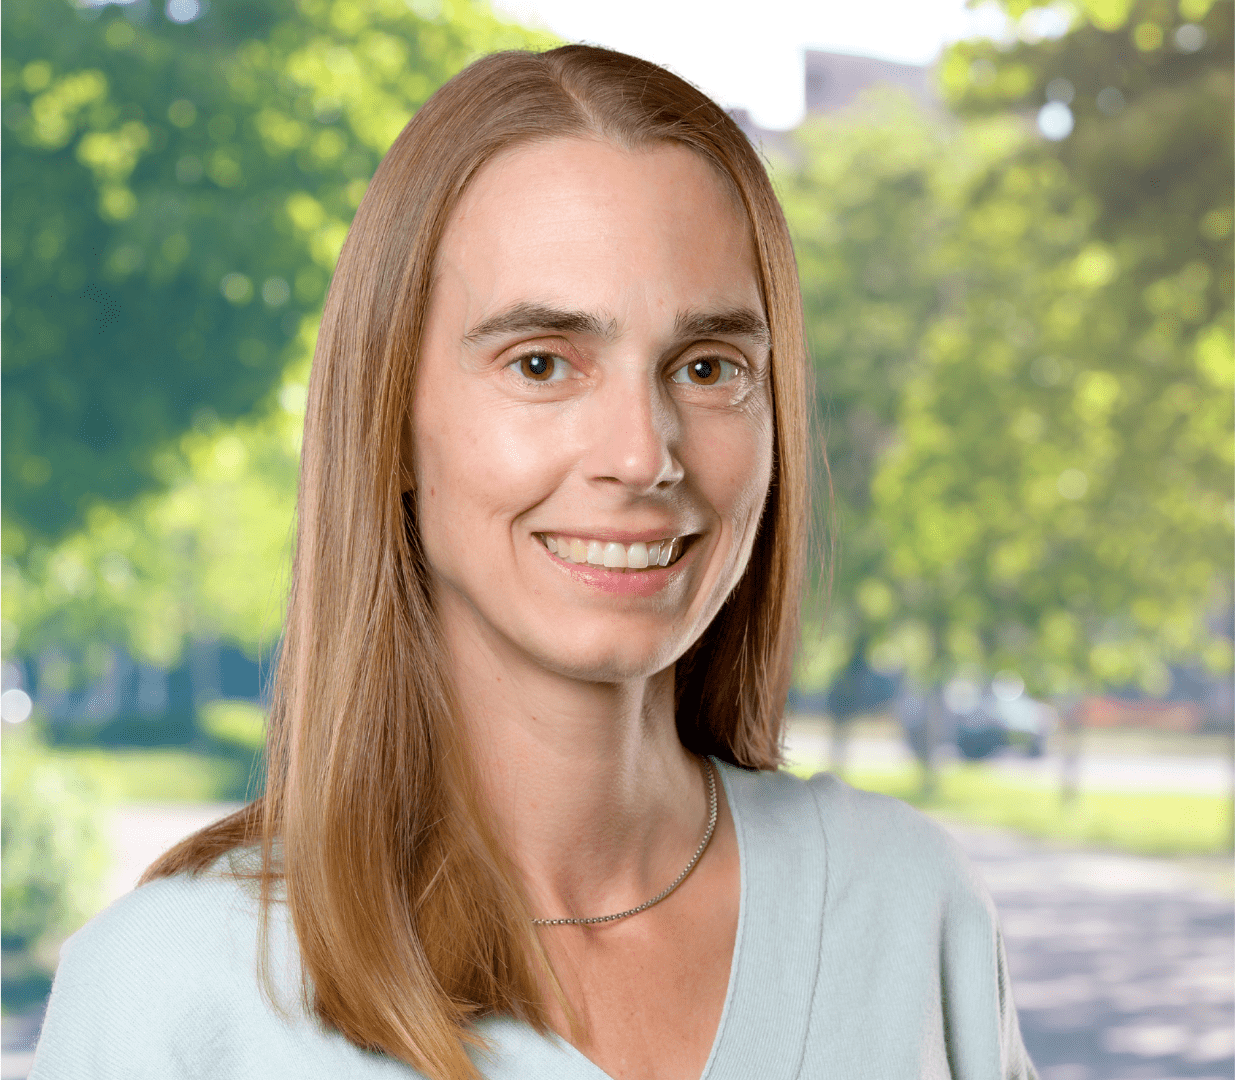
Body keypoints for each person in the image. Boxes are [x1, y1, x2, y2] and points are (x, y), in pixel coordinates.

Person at [31, 45, 1036, 1080]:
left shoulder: (906, 909)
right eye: (542, 363)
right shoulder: (178, 993)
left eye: (706, 367)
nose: (643, 455)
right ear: (390, 421)